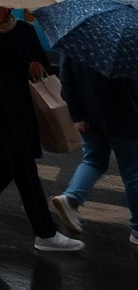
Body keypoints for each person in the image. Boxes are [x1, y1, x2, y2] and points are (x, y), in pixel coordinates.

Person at [0, 6, 84, 251]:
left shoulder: (24, 31)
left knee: (25, 171)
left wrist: (37, 68)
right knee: (9, 166)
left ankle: (44, 233)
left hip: (22, 110)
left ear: (8, 7)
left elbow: (42, 63)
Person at [51, 53, 138, 245]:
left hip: (89, 116)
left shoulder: (77, 40)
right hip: (125, 116)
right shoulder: (128, 40)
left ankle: (72, 197)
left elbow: (66, 77)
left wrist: (77, 115)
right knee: (133, 174)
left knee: (93, 161)